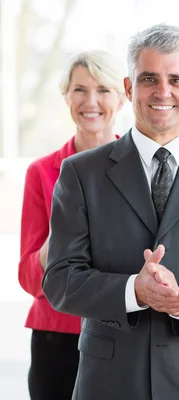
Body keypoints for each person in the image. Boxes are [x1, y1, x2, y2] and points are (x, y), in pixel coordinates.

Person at [42, 24, 179, 400]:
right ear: (129, 89)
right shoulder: (81, 174)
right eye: (149, 79)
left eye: (176, 79)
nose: (163, 92)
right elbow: (60, 279)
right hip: (110, 381)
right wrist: (135, 291)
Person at [18, 50, 125, 400]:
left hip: (123, 334)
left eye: (103, 90)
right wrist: (60, 236)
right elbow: (30, 279)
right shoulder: (41, 173)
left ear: (122, 95)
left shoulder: (142, 169)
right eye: (80, 90)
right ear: (66, 96)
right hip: (57, 340)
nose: (90, 101)